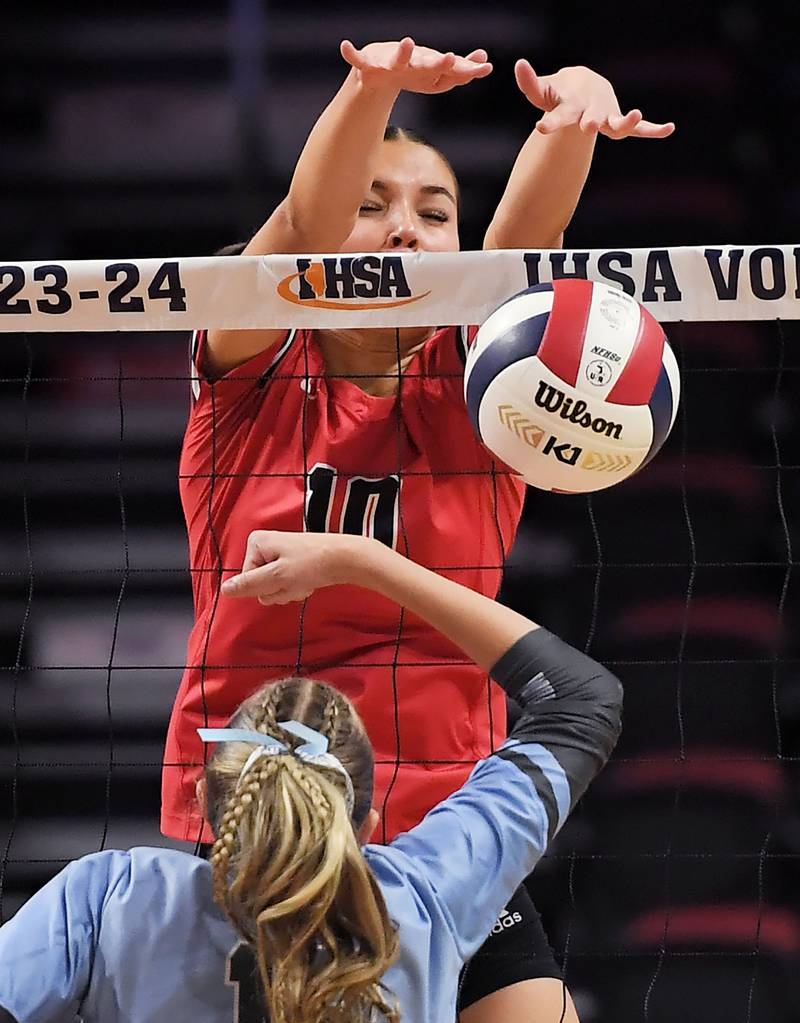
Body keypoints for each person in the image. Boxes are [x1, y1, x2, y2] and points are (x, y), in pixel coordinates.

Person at [163, 36, 670, 1020]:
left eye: (433, 214)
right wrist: (372, 86)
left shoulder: (494, 389)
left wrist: (572, 118)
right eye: (372, 204)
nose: (404, 232)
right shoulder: (252, 372)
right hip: (275, 811)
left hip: (452, 816)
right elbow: (302, 228)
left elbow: (527, 238)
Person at [0, 529, 622, 1023]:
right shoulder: (431, 897)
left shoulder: (112, 899)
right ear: (371, 823)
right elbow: (583, 698)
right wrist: (368, 561)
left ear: (206, 804)